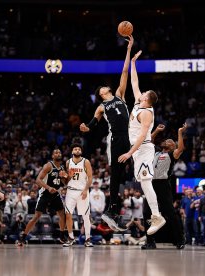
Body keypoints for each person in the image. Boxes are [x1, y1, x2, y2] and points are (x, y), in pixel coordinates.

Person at [79, 36, 134, 231]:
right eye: (102, 87)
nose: (105, 86)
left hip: (131, 136)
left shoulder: (119, 95)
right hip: (116, 138)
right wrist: (87, 127)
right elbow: (93, 123)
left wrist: (128, 50)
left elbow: (125, 71)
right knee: (116, 175)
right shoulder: (102, 106)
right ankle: (111, 211)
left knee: (139, 171)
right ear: (101, 93)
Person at [118, 50, 165, 236]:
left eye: (144, 93)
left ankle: (157, 215)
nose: (141, 92)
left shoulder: (146, 113)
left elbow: (143, 135)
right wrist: (134, 63)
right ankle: (156, 215)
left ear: (147, 99)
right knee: (144, 183)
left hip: (143, 149)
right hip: (138, 151)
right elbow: (134, 82)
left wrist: (130, 153)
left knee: (146, 183)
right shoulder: (139, 102)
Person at [141, 123, 187, 249]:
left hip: (162, 185)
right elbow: (148, 141)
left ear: (172, 146)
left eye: (169, 141)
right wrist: (156, 130)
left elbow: (181, 148)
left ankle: (180, 239)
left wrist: (179, 132)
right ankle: (150, 242)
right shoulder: (156, 152)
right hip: (150, 183)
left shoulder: (172, 155)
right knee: (146, 212)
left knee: (170, 213)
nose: (166, 141)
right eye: (166, 140)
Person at [18, 149, 68, 246]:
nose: (58, 154)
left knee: (62, 215)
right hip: (45, 193)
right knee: (36, 217)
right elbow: (38, 180)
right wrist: (48, 188)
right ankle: (23, 237)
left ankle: (62, 236)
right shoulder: (48, 166)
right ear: (53, 156)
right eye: (56, 153)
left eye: (60, 153)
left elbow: (64, 183)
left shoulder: (62, 168)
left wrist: (65, 179)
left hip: (56, 194)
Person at [62, 144, 94, 247]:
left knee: (85, 216)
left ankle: (88, 239)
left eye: (79, 149)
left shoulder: (86, 162)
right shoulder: (68, 162)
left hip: (82, 191)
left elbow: (90, 178)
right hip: (70, 191)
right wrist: (65, 177)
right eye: (75, 149)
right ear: (72, 151)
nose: (77, 150)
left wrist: (86, 190)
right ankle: (71, 238)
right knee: (68, 214)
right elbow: (67, 180)